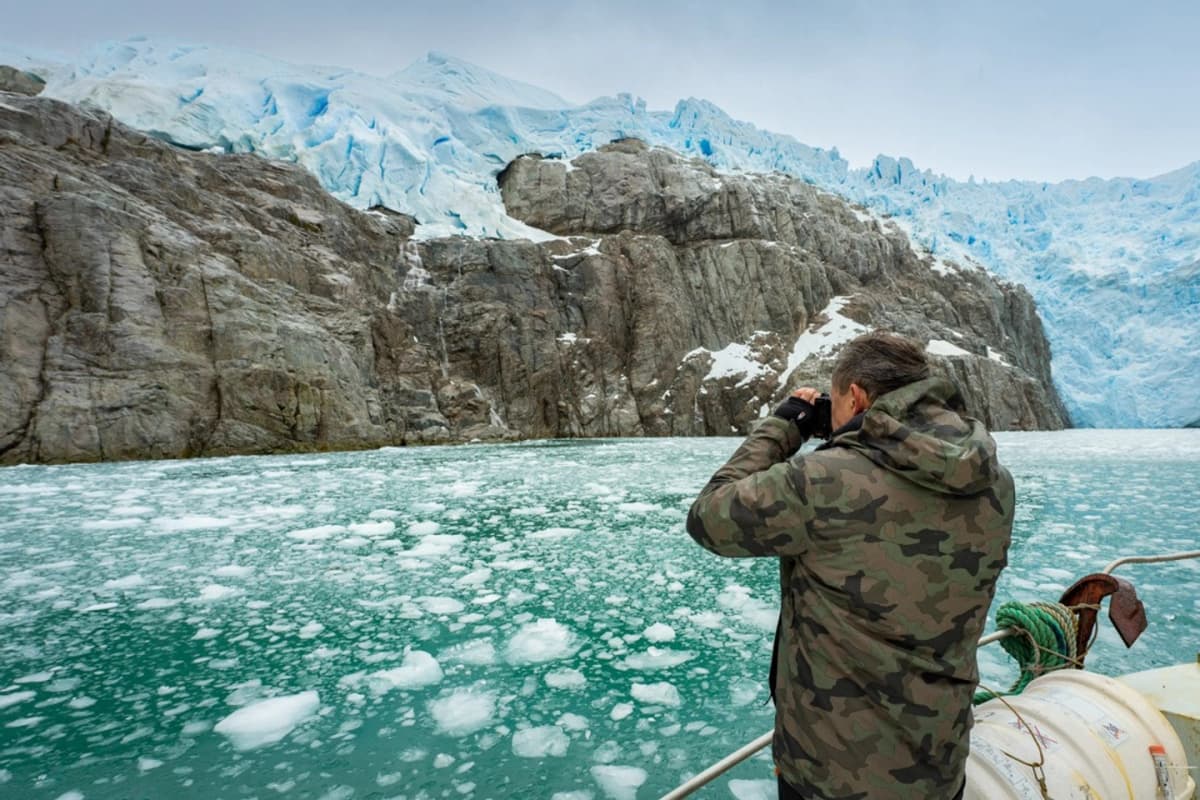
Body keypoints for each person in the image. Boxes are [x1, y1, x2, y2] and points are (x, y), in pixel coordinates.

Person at [686, 331, 1014, 800]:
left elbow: (708, 516)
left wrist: (785, 427)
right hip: (938, 764)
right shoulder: (995, 483)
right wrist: (853, 433)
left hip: (833, 774)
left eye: (838, 403)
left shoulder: (822, 481)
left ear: (857, 397)